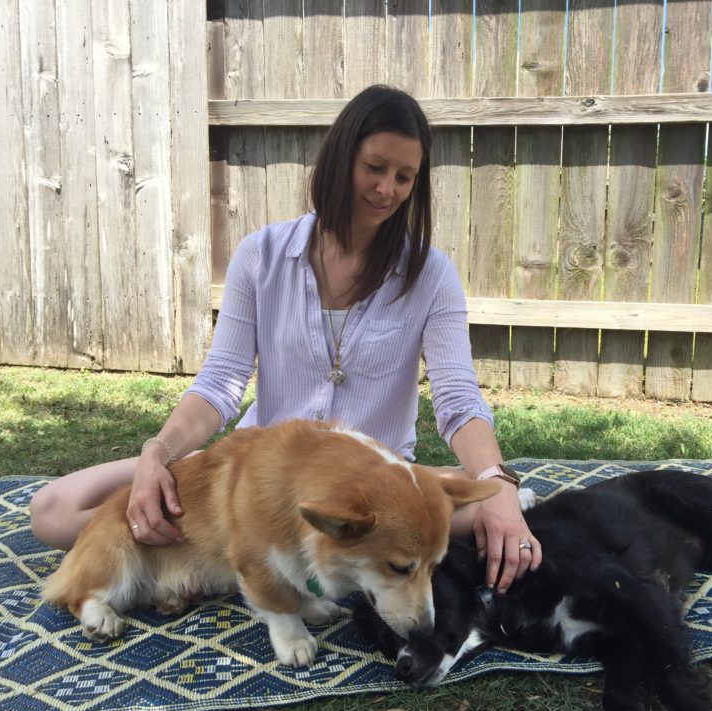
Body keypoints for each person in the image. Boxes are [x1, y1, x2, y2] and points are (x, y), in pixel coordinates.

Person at [30, 84, 541, 593]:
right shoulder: (261, 255)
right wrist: (155, 456)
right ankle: (227, 551)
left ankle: (213, 557)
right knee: (53, 511)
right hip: (261, 477)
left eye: (405, 177)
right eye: (375, 168)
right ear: (341, 159)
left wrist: (496, 481)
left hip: (367, 496)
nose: (388, 189)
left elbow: (456, 396)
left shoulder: (431, 274)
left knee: (502, 512)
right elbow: (221, 383)